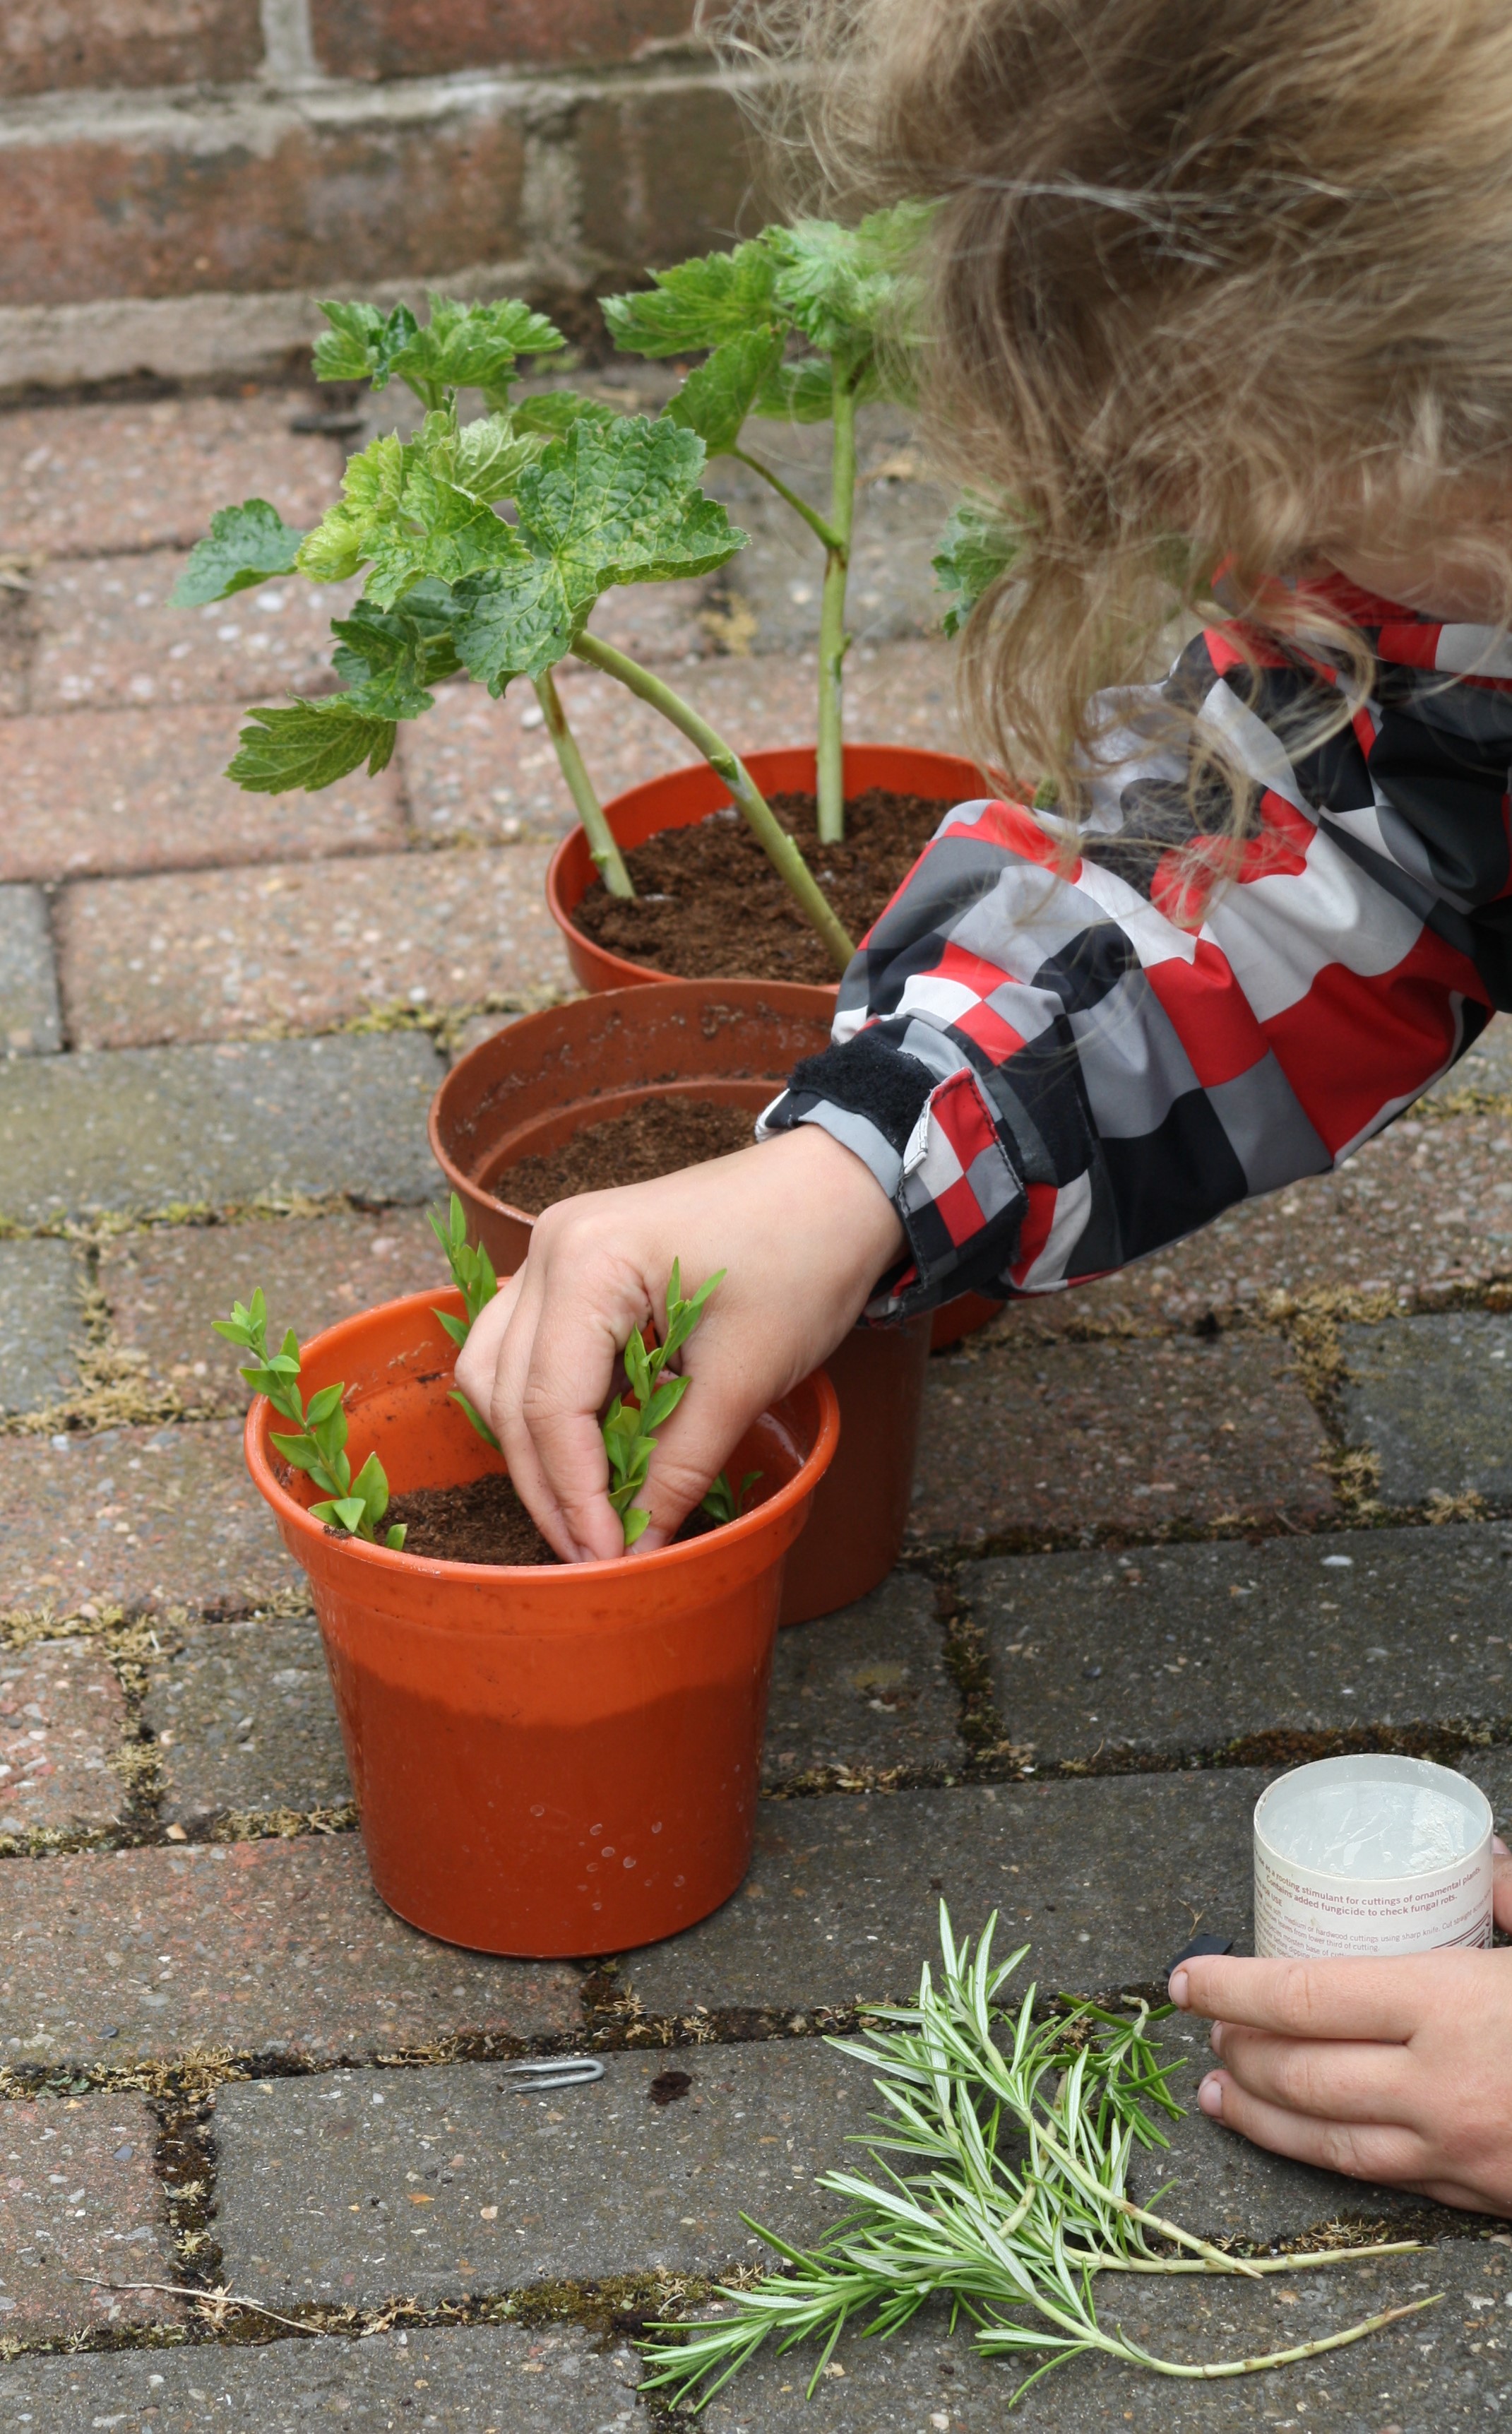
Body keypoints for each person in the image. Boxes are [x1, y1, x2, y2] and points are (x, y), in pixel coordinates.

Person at [458, 0, 1512, 2210]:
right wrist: (864, 1151)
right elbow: (1331, 842)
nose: (1331, 621)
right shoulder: (1447, 608)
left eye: (1392, 552)